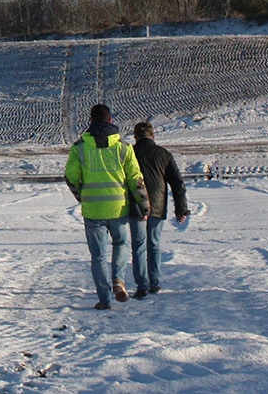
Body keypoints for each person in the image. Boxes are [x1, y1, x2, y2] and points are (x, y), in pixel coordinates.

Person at [64, 104, 148, 310]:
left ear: (90, 122)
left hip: (93, 210)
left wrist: (81, 195)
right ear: (111, 121)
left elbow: (71, 176)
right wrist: (144, 206)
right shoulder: (124, 148)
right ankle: (118, 281)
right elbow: (135, 179)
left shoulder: (79, 147)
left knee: (98, 256)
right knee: (120, 244)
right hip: (118, 208)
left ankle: (104, 298)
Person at [128, 122, 190, 300]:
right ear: (153, 136)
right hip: (157, 205)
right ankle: (154, 283)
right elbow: (177, 183)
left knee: (138, 245)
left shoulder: (129, 153)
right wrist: (181, 209)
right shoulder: (164, 154)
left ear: (135, 137)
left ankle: (141, 286)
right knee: (154, 244)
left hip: (136, 205)